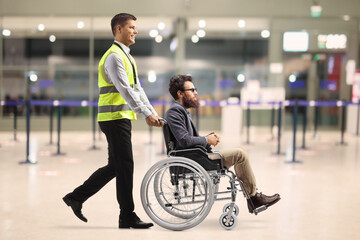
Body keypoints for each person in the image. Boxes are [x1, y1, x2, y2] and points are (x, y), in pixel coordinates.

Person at [63, 13, 162, 229]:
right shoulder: (114, 56)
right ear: (118, 29)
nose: (135, 31)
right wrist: (145, 114)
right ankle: (127, 215)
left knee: (116, 166)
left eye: (136, 27)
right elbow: (125, 90)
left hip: (120, 118)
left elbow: (138, 89)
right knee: (125, 165)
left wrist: (151, 111)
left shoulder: (127, 57)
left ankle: (76, 197)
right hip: (113, 118)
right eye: (131, 27)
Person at [164, 74, 280, 212]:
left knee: (239, 152)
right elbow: (184, 140)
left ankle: (253, 197)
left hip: (196, 156)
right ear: (180, 93)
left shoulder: (182, 111)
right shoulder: (174, 111)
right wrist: (206, 140)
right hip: (193, 159)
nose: (196, 93)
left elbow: (187, 139)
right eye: (192, 90)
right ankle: (254, 198)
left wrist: (207, 139)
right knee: (240, 154)